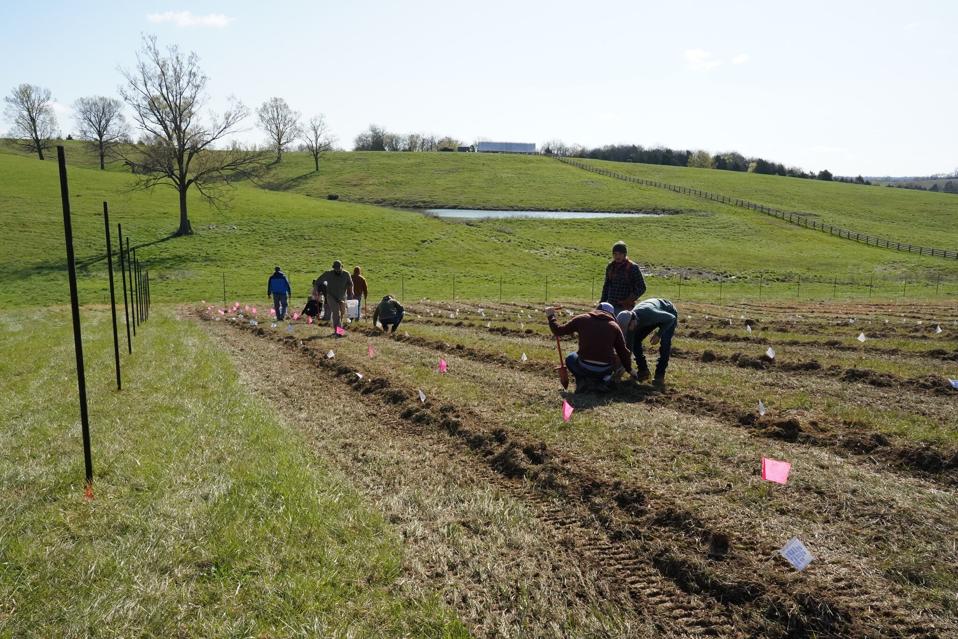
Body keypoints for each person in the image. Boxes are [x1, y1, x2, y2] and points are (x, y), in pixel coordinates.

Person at [546, 303, 632, 393]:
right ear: (611, 314)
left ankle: (582, 380)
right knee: (615, 358)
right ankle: (602, 381)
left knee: (570, 358)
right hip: (605, 369)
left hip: (585, 366)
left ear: (596, 310)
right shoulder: (614, 326)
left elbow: (558, 330)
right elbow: (623, 351)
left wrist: (551, 315)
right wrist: (629, 369)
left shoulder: (582, 319)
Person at [616, 298, 679, 387]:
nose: (628, 331)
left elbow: (671, 318)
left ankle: (659, 375)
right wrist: (624, 367)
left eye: (628, 328)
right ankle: (643, 370)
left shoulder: (649, 314)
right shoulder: (630, 321)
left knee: (665, 343)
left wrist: (659, 334)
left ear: (633, 322)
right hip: (651, 316)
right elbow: (629, 347)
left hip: (668, 313)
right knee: (635, 341)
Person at [600, 241, 646, 315]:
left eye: (620, 254)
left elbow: (642, 287)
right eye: (615, 254)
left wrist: (629, 300)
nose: (617, 256)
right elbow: (606, 286)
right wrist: (601, 304)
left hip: (625, 308)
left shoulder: (632, 267)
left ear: (624, 254)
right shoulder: (610, 266)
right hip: (610, 305)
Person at [318, 260, 353, 335]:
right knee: (336, 312)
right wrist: (315, 289)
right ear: (333, 268)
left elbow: (350, 284)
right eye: (335, 269)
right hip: (331, 296)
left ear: (341, 267)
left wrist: (351, 292)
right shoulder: (328, 274)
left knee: (342, 313)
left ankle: (337, 329)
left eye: (338, 268)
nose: (337, 270)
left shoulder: (346, 274)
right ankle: (339, 332)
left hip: (342, 296)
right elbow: (318, 280)